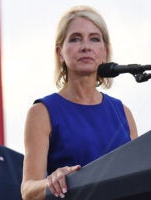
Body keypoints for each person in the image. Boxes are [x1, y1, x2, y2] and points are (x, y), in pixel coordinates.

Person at [21, 5, 138, 200]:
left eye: (94, 39)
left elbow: (141, 174)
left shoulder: (123, 112)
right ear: (60, 53)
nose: (86, 46)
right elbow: (28, 190)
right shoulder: (42, 112)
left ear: (104, 52)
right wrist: (52, 181)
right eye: (75, 39)